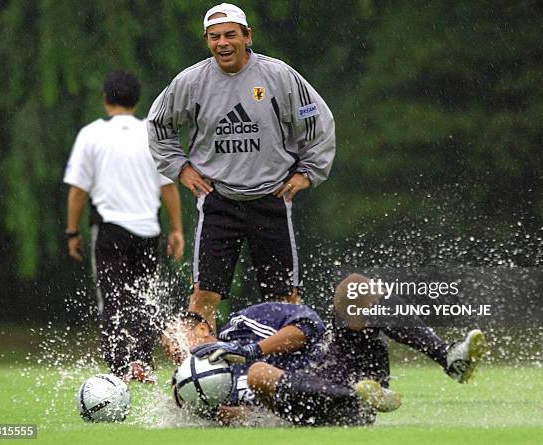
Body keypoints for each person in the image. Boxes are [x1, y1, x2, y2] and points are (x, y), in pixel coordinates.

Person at [147, 3, 336, 330]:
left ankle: (289, 373)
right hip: (218, 200)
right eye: (214, 36)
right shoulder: (191, 82)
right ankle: (203, 373)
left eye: (230, 35)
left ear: (247, 36)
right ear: (207, 41)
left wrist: (308, 172)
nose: (222, 42)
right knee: (203, 297)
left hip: (271, 197)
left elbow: (317, 120)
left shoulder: (279, 76)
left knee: (286, 298)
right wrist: (180, 168)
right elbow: (158, 125)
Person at [163, 274, 488, 426]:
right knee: (260, 375)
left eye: (182, 337)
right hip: (322, 405)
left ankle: (449, 357)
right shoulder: (198, 389)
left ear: (205, 327)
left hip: (342, 361)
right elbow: (255, 419)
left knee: (354, 288)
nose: (178, 349)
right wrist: (214, 411)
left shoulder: (243, 321)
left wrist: (247, 350)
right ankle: (356, 400)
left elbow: (309, 327)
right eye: (170, 348)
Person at [64, 70, 185, 382]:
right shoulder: (151, 133)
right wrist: (177, 230)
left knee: (113, 297)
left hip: (110, 230)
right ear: (136, 99)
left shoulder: (90, 135)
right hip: (148, 230)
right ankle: (143, 363)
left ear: (105, 97)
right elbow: (168, 187)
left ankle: (120, 366)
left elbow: (78, 190)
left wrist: (72, 231)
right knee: (144, 297)